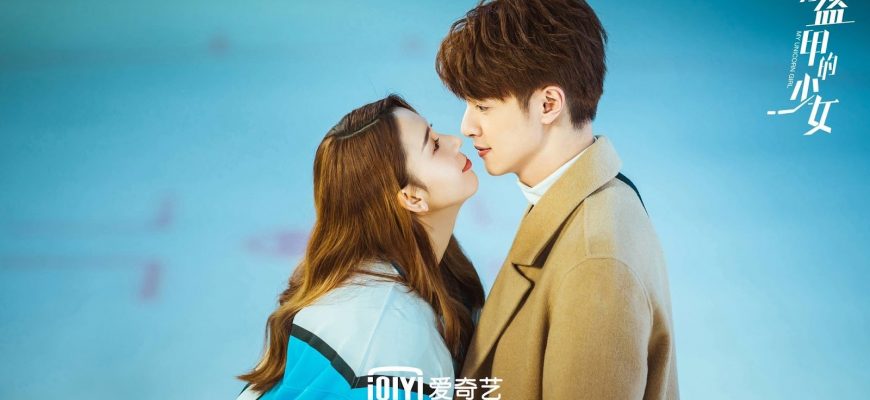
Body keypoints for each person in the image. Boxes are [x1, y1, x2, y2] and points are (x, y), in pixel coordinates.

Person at [435, 0, 679, 398]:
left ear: (548, 104)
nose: (467, 126)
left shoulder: (595, 262)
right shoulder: (585, 198)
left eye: (483, 106)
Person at [235, 95, 485, 400]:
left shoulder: (432, 272)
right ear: (411, 197)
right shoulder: (388, 334)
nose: (455, 141)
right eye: (433, 145)